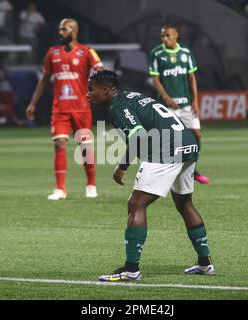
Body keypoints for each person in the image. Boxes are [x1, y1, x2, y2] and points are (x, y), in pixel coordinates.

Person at [87, 70, 215, 282]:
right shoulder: (133, 96)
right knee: (185, 204)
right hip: (188, 144)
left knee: (136, 204)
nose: (88, 94)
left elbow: (138, 136)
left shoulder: (118, 105)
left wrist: (122, 166)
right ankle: (205, 263)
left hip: (168, 148)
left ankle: (131, 270)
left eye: (91, 90)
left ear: (107, 90)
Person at [26, 18, 104, 200]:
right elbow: (45, 79)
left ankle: (91, 184)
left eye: (64, 29)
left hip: (81, 108)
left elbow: (99, 67)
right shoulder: (52, 53)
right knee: (59, 143)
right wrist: (33, 103)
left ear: (74, 31)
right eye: (59, 29)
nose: (60, 32)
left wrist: (101, 71)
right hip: (60, 108)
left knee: (84, 146)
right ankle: (60, 189)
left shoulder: (86, 51)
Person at [149, 25, 211, 185]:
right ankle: (167, 172)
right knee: (172, 139)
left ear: (176, 35)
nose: (165, 39)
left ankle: (192, 168)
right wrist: (167, 98)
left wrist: (195, 100)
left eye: (168, 36)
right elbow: (155, 79)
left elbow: (192, 77)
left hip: (186, 104)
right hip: (168, 106)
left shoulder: (186, 52)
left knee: (196, 135)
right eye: (162, 36)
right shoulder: (157, 53)